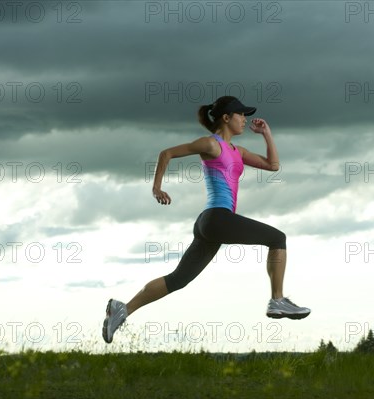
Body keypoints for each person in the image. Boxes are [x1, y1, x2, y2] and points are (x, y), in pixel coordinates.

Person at [102, 96, 310, 343]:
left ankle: (123, 309)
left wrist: (267, 134)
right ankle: (277, 300)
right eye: (240, 114)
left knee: (178, 279)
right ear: (226, 118)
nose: (245, 119)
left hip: (211, 224)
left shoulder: (238, 151)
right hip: (217, 218)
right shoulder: (212, 145)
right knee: (277, 238)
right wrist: (156, 187)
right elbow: (166, 153)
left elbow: (273, 165)